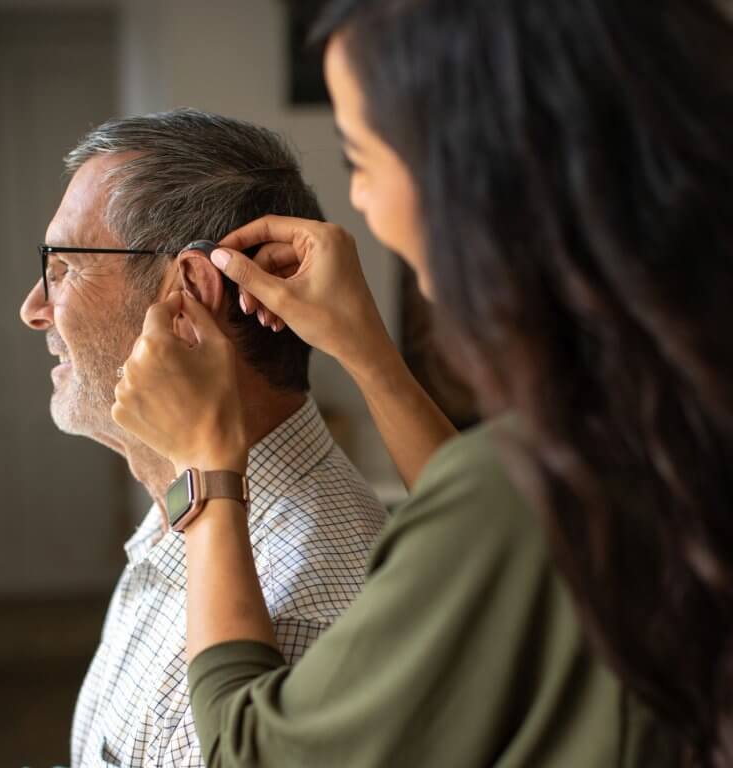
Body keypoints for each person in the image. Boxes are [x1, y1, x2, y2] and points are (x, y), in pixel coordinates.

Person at [112, 0, 733, 764]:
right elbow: (528, 539)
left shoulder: (533, 481)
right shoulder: (667, 412)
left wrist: (206, 469)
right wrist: (369, 353)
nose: (361, 204)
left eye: (360, 159)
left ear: (476, 177)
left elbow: (253, 752)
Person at [18, 108, 387, 768]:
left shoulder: (293, 614)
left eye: (65, 266)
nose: (34, 307)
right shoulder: (183, 523)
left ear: (186, 294)